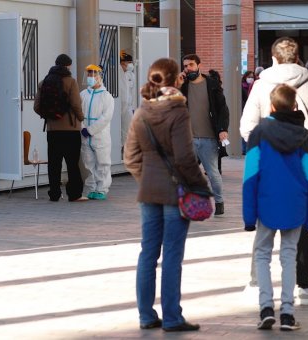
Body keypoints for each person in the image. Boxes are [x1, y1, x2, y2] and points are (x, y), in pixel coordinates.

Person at [241, 36, 308, 305]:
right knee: (300, 222)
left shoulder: (260, 85)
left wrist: (264, 136)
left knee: (264, 229)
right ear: (297, 58)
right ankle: (303, 287)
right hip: (303, 151)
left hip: (267, 159)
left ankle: (256, 284)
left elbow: (246, 126)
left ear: (272, 58)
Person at [124, 58, 208, 332]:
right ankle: (172, 316)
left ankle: (146, 315)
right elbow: (185, 158)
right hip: (176, 192)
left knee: (148, 252)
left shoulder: (142, 111)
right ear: (176, 79)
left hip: (148, 191)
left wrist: (146, 177)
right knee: (172, 254)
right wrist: (199, 186)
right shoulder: (178, 110)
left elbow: (130, 157)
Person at [243, 84, 308, 331]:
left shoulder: (260, 132)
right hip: (296, 204)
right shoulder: (305, 137)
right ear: (294, 105)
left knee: (262, 254)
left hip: (266, 203)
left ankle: (266, 307)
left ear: (272, 106)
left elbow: (250, 176)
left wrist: (248, 214)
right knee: (289, 256)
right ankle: (287, 312)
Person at [180, 54, 229, 215]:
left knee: (213, 173)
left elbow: (223, 108)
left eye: (191, 65)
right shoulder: (183, 86)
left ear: (199, 65)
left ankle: (219, 202)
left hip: (208, 138)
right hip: (188, 139)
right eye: (185, 66)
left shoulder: (212, 84)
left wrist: (222, 129)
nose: (188, 69)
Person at [33, 53, 86, 202]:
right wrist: (81, 118)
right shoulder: (71, 82)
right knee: (72, 163)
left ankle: (54, 194)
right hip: (71, 130)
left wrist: (49, 116)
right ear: (68, 66)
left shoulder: (44, 82)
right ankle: (74, 194)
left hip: (52, 130)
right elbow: (76, 104)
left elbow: (37, 107)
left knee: (54, 163)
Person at [80, 64, 115, 200]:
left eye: (94, 74)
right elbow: (78, 112)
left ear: (100, 77)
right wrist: (82, 128)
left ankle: (102, 189)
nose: (91, 77)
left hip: (100, 135)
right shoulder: (83, 94)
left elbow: (106, 117)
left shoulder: (107, 96)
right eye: (89, 74)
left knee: (102, 163)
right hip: (85, 135)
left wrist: (90, 130)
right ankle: (92, 188)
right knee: (88, 163)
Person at [119, 51, 136, 157]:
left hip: (128, 107)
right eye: (128, 62)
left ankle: (126, 153)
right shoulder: (116, 72)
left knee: (128, 130)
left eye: (131, 62)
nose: (130, 64)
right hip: (118, 106)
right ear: (121, 63)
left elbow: (133, 92)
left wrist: (133, 107)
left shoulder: (131, 75)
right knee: (117, 130)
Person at [241, 71, 255, 154]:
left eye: (252, 77)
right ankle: (244, 148)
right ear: (245, 77)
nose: (251, 78)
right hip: (245, 110)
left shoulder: (255, 86)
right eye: (249, 77)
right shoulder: (242, 87)